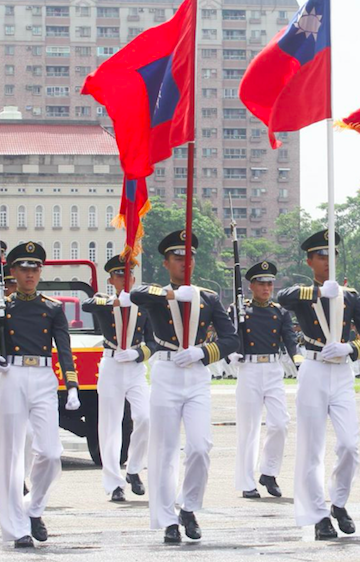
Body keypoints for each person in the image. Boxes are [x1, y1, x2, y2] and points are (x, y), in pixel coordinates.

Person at [0, 241, 81, 548]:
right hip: (10, 374)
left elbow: (64, 349)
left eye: (35, 269)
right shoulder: (0, 308)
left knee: (50, 453)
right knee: (10, 455)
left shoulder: (52, 308)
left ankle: (33, 508)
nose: (30, 275)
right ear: (13, 272)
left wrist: (71, 384)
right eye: (24, 269)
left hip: (43, 376)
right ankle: (16, 529)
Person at [127, 230, 239, 544]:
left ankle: (189, 507)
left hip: (197, 375)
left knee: (201, 447)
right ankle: (166, 520)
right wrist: (173, 296)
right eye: (177, 258)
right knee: (163, 451)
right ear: (166, 263)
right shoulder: (156, 294)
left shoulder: (209, 297)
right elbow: (136, 293)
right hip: (166, 372)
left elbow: (232, 339)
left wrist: (204, 352)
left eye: (188, 257)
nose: (184, 262)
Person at [277, 229, 360, 540]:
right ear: (309, 261)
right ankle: (318, 514)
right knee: (311, 447)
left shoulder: (351, 297)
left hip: (342, 372)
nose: (328, 260)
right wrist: (320, 293)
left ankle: (338, 501)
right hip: (314, 370)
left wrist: (351, 348)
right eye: (321, 255)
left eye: (332, 255)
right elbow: (284, 298)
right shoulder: (304, 294)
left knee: (350, 445)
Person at [82, 255, 155, 502]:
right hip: (112, 364)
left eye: (128, 275)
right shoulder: (105, 301)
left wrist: (137, 353)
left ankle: (134, 469)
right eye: (119, 275)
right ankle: (114, 482)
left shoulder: (143, 307)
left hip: (133, 366)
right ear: (112, 279)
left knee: (145, 417)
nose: (125, 279)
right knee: (110, 426)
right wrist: (114, 302)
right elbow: (88, 304)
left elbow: (153, 342)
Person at [229, 260, 300, 500]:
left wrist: (299, 361)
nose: (267, 288)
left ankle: (269, 472)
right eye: (262, 283)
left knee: (280, 422)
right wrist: (232, 352)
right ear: (251, 286)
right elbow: (228, 335)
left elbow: (290, 339)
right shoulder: (239, 310)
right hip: (249, 369)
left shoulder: (279, 312)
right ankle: (246, 481)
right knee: (248, 429)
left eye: (270, 283)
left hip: (272, 369)